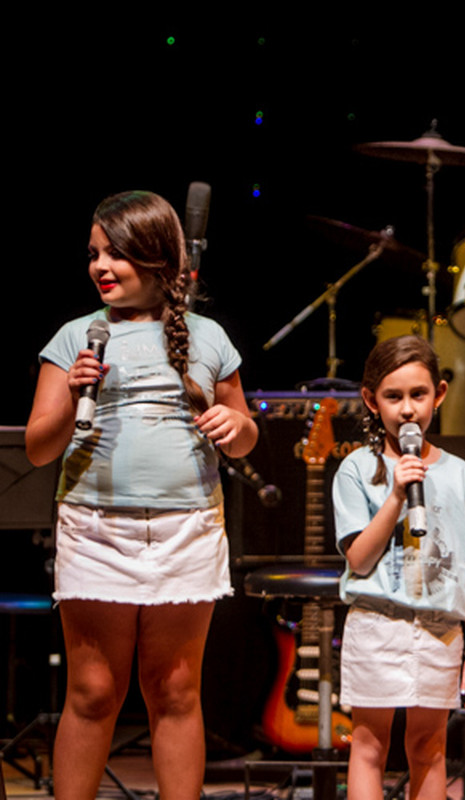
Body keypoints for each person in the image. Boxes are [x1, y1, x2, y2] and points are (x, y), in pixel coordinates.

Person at [25, 190, 258, 800]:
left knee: (175, 690)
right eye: (94, 254)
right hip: (96, 528)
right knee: (95, 691)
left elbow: (243, 435)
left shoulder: (208, 337)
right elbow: (39, 448)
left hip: (188, 530)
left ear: (159, 261)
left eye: (116, 255)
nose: (100, 266)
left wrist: (239, 427)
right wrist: (76, 387)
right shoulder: (77, 335)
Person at [334, 335, 465, 800]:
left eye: (418, 395)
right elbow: (359, 557)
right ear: (371, 400)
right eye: (393, 397)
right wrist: (394, 495)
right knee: (369, 743)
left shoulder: (459, 474)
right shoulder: (356, 469)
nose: (407, 409)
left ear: (439, 395)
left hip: (440, 631)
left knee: (429, 745)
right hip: (377, 625)